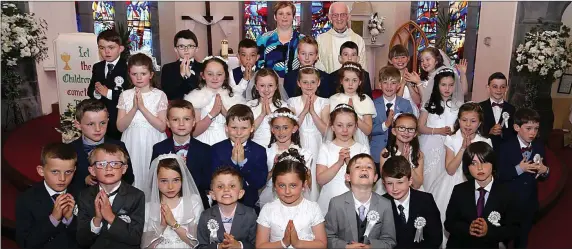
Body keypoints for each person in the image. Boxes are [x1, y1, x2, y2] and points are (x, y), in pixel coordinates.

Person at [429, 102, 492, 246]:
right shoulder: (452, 138)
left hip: (476, 184)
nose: (468, 124)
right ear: (458, 120)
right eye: (464, 120)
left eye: (473, 121)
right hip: (452, 182)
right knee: (448, 218)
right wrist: (463, 148)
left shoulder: (485, 141)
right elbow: (450, 169)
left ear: (480, 122)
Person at [446, 142, 521, 248]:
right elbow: (449, 223)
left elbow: (514, 228)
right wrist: (468, 228)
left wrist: (489, 231)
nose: (480, 168)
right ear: (467, 167)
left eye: (484, 162)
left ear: (493, 164)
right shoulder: (460, 190)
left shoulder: (507, 192)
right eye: (473, 163)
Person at [76, 143, 144, 249]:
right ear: (92, 170)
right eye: (101, 164)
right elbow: (82, 240)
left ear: (124, 169)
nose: (108, 168)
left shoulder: (136, 196)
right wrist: (97, 219)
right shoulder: (84, 196)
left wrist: (110, 217)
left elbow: (135, 238)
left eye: (115, 163)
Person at [498, 108, 549, 248]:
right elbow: (499, 175)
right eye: (528, 128)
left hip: (529, 203)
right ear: (516, 127)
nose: (533, 132)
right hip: (508, 204)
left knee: (523, 239)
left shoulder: (539, 146)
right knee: (504, 237)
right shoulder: (505, 147)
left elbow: (544, 172)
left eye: (536, 128)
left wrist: (545, 171)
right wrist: (520, 169)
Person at [116, 53, 168, 190]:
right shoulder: (125, 95)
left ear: (151, 74)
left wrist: (142, 108)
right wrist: (134, 108)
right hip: (131, 142)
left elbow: (162, 126)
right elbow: (120, 127)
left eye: (143, 73)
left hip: (153, 140)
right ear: (129, 74)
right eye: (134, 74)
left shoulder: (159, 95)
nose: (139, 78)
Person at [256, 150, 327, 249]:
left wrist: (297, 243)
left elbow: (322, 244)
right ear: (274, 186)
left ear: (304, 185)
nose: (287, 191)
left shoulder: (313, 208)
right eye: (282, 185)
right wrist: (283, 243)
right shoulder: (268, 210)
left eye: (293, 185)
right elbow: (260, 246)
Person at [325, 153, 397, 249]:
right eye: (358, 166)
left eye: (369, 167)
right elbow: (328, 237)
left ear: (375, 177)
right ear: (348, 177)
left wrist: (371, 247)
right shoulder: (336, 203)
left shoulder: (385, 204)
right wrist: (346, 247)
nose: (364, 169)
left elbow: (389, 241)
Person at [151, 99, 212, 209]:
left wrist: (184, 170)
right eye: (175, 119)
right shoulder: (159, 148)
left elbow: (208, 182)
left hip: (197, 204)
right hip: (167, 205)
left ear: (194, 122)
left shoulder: (205, 149)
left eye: (186, 119)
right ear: (168, 123)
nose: (181, 124)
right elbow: (154, 180)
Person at [16, 143, 78, 249]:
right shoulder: (26, 199)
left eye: (68, 172)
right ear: (41, 171)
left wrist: (71, 219)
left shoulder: (81, 193)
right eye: (55, 172)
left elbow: (88, 238)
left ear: (75, 170)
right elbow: (25, 243)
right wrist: (53, 219)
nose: (62, 178)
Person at [210, 104, 268, 212]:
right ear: (226, 128)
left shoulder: (259, 151)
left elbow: (260, 182)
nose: (238, 133)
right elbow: (213, 179)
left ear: (252, 128)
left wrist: (242, 164)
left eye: (244, 128)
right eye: (234, 127)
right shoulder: (216, 149)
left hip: (249, 206)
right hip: (220, 207)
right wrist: (232, 162)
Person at [69, 99, 134, 192]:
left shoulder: (119, 146)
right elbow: (65, 182)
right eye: (91, 124)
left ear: (108, 120)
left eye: (103, 123)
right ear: (78, 125)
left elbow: (129, 178)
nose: (98, 129)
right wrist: (84, 181)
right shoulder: (70, 149)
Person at [142, 154, 204, 248]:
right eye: (164, 181)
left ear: (183, 180)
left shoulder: (193, 202)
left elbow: (195, 243)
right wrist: (162, 226)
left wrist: (174, 224)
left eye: (176, 180)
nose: (170, 187)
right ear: (156, 181)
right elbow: (146, 247)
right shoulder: (148, 207)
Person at [316, 104, 370, 214]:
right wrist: (339, 163)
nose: (345, 130)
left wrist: (350, 163)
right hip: (329, 202)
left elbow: (366, 179)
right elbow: (320, 180)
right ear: (332, 127)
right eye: (339, 125)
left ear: (355, 127)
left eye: (349, 125)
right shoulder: (325, 147)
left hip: (355, 202)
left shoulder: (361, 148)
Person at [417, 68, 463, 190]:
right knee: (430, 176)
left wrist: (454, 132)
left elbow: (461, 126)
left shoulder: (458, 105)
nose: (447, 89)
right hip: (431, 144)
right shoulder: (429, 103)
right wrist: (438, 131)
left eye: (451, 85)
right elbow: (420, 127)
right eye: (443, 85)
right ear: (437, 85)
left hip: (451, 145)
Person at [382, 156, 442, 249]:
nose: (395, 188)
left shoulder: (426, 200)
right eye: (389, 183)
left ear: (410, 181)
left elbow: (436, 238)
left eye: (400, 182)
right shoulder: (381, 203)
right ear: (383, 183)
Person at [184, 57, 245, 146]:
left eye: (219, 74)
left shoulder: (233, 97)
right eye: (210, 74)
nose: (215, 78)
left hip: (228, 140)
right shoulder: (195, 98)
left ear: (225, 76)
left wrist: (224, 111)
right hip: (203, 141)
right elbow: (193, 132)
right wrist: (212, 114)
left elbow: (240, 127)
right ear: (203, 75)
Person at [259, 108, 314, 206]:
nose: (281, 132)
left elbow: (308, 184)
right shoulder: (265, 152)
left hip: (295, 196)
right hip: (271, 197)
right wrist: (273, 169)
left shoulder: (303, 153)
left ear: (294, 129)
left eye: (285, 128)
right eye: (277, 127)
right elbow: (261, 182)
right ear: (272, 129)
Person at [197, 166, 257, 249]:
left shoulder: (250, 214)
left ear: (240, 193)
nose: (226, 189)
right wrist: (218, 247)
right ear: (213, 195)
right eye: (220, 186)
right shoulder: (205, 216)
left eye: (232, 186)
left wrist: (240, 246)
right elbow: (200, 246)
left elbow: (256, 244)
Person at [88, 29, 129, 140]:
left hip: (119, 117)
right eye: (102, 48)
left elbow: (129, 94)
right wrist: (96, 92)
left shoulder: (127, 67)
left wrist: (108, 93)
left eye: (111, 47)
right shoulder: (98, 67)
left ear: (120, 49)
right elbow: (90, 90)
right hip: (100, 117)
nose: (106, 52)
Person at [370, 65, 414, 168]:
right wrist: (386, 124)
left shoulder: (405, 104)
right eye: (385, 83)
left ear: (398, 85)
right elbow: (369, 129)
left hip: (400, 151)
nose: (389, 87)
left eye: (393, 83)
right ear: (379, 85)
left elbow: (411, 127)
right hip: (377, 152)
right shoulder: (372, 104)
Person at [329, 62, 375, 151]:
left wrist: (353, 114)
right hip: (338, 143)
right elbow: (330, 129)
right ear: (341, 81)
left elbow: (368, 130)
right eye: (347, 80)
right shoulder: (333, 99)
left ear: (360, 82)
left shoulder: (365, 100)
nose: (350, 84)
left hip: (360, 143)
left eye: (354, 80)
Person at [288, 66, 330, 163]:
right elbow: (291, 129)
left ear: (318, 83)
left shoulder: (324, 103)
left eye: (313, 82)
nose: (309, 86)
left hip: (318, 144)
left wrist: (313, 113)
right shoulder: (292, 102)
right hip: (298, 143)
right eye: (305, 82)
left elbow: (326, 132)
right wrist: (304, 111)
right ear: (299, 83)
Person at [376, 113, 424, 194]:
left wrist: (407, 162)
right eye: (402, 128)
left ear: (415, 133)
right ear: (394, 131)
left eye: (411, 129)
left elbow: (417, 185)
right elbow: (385, 181)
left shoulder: (418, 154)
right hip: (390, 192)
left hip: (411, 193)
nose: (406, 132)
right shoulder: (386, 153)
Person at [256, 1, 304, 78]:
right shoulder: (264, 39)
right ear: (275, 17)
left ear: (293, 17)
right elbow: (258, 66)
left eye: (288, 14)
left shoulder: (302, 40)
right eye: (281, 14)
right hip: (269, 87)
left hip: (296, 87)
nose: (284, 17)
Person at [316, 1, 367, 73]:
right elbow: (318, 67)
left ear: (348, 17)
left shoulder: (358, 40)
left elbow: (362, 69)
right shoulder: (321, 40)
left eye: (343, 15)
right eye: (335, 15)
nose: (339, 19)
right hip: (328, 83)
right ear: (330, 17)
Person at [247, 68, 289, 147]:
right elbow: (246, 132)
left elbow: (285, 131)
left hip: (276, 147)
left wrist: (270, 114)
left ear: (276, 86)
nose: (266, 89)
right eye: (262, 85)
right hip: (255, 147)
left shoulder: (283, 106)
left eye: (270, 85)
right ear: (256, 86)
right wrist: (262, 114)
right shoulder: (250, 106)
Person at [160, 29, 203, 100]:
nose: (186, 49)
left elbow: (204, 91)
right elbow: (168, 93)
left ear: (196, 49)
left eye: (190, 46)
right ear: (175, 49)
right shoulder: (167, 68)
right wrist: (181, 75)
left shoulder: (204, 67)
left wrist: (190, 75)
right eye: (181, 46)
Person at [479, 72, 516, 149]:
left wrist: (502, 133)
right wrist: (489, 132)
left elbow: (513, 132)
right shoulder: (479, 107)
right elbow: (475, 129)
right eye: (495, 87)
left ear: (507, 88)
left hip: (504, 150)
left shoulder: (511, 109)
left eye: (502, 87)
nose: (499, 90)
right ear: (488, 88)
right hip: (484, 148)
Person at [388, 44, 421, 116]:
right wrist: (403, 84)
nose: (400, 60)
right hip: (397, 112)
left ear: (408, 58)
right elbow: (395, 102)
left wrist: (409, 84)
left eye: (403, 57)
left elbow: (417, 101)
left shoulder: (413, 76)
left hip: (412, 112)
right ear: (390, 60)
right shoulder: (388, 78)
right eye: (396, 58)